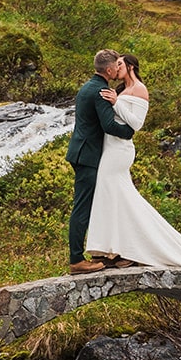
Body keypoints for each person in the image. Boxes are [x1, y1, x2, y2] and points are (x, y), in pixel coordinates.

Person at [84, 52, 181, 275]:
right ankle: (113, 250)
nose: (116, 68)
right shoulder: (119, 90)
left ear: (130, 66)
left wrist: (117, 103)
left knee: (113, 192)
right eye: (115, 64)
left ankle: (126, 248)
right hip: (109, 147)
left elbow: (136, 124)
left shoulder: (139, 89)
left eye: (120, 64)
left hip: (120, 150)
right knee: (112, 195)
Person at [65, 48, 135, 274]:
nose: (118, 69)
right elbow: (109, 126)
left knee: (87, 205)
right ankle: (76, 260)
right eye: (116, 66)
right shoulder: (101, 91)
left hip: (80, 151)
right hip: (87, 155)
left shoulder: (87, 87)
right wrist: (130, 131)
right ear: (108, 69)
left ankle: (103, 252)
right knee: (82, 208)